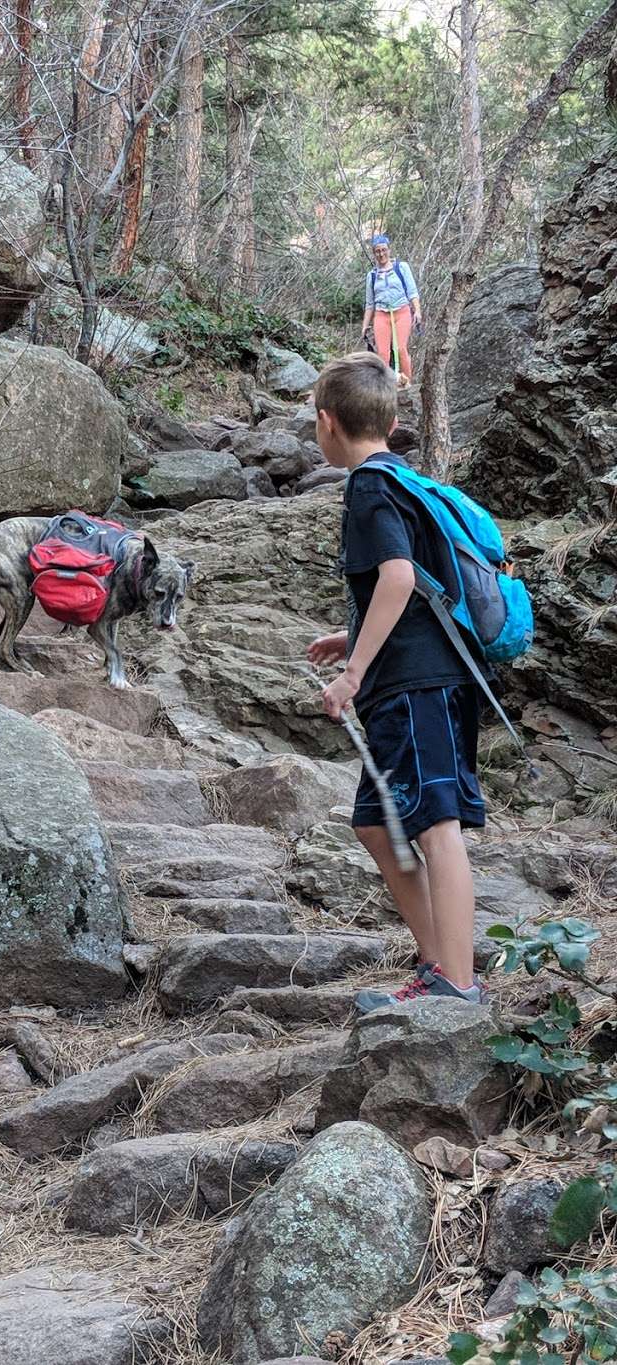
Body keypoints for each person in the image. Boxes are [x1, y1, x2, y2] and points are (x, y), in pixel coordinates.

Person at [307, 351, 487, 1012]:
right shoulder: (401, 479)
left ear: (327, 422)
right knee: (377, 825)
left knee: (437, 827)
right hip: (417, 680)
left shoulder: (369, 487)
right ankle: (440, 963)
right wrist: (352, 638)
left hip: (418, 687)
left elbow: (400, 578)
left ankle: (459, 986)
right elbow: (414, 591)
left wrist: (353, 672)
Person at [360, 234, 422, 386]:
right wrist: (364, 326)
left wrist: (418, 311)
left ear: (389, 250)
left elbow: (412, 292)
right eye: (377, 251)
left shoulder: (401, 267)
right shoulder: (372, 275)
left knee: (400, 349)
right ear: (374, 253)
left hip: (401, 311)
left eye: (383, 250)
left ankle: (407, 385)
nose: (381, 254)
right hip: (381, 314)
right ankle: (386, 387)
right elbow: (370, 304)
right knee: (382, 354)